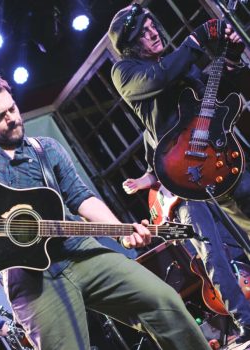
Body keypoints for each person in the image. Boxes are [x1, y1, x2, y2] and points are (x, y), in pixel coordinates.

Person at [0, 75, 210, 350]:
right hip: (33, 280)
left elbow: (80, 197)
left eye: (12, 108)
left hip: (80, 253)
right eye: (0, 116)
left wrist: (120, 229)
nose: (12, 118)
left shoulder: (44, 148)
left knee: (164, 302)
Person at [108, 2, 250, 345]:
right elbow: (159, 79)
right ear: (129, 44)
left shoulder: (173, 64)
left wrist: (229, 55)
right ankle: (248, 322)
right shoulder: (126, 72)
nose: (153, 31)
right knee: (214, 251)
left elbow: (213, 95)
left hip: (215, 160)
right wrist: (198, 37)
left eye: (153, 25)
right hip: (181, 179)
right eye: (143, 31)